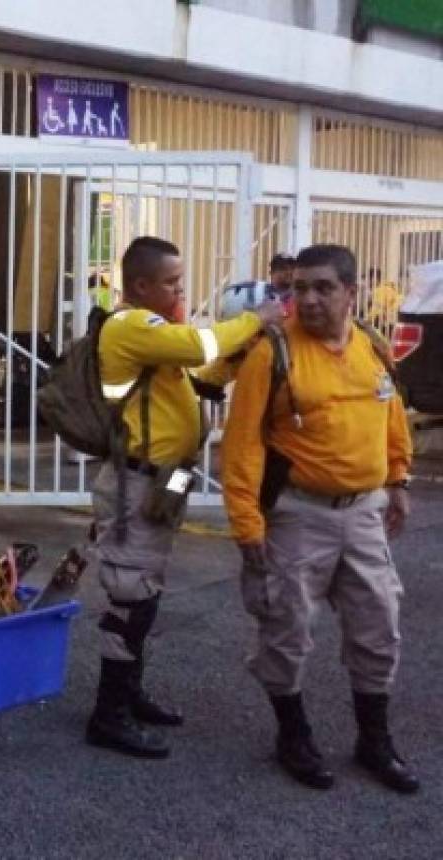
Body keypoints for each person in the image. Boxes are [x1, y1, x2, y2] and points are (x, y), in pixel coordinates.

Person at [221, 244, 417, 794]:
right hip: (297, 517)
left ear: (350, 293)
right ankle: (293, 735)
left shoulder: (372, 348)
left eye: (322, 288)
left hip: (365, 514)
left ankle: (374, 741)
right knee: (285, 630)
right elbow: (241, 447)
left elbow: (391, 415)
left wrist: (398, 478)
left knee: (379, 628)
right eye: (298, 288)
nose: (305, 299)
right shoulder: (272, 353)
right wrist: (246, 524)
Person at [87, 236, 283, 759]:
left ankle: (130, 693)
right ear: (141, 286)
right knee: (130, 598)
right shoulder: (130, 325)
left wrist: (234, 362)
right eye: (172, 283)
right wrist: (258, 318)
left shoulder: (158, 335)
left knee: (146, 590)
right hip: (137, 482)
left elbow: (198, 376)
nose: (180, 290)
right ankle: (109, 715)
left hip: (166, 477)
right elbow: (201, 349)